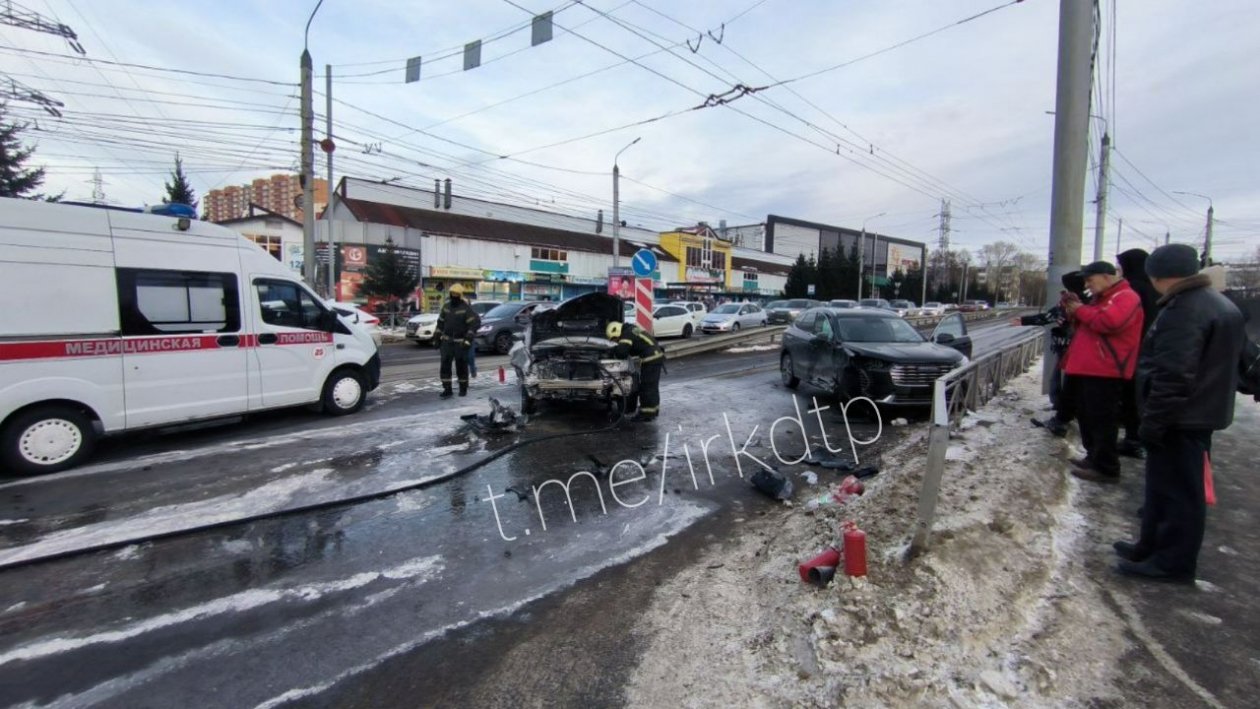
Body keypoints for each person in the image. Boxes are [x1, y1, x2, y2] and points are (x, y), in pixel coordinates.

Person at [1114, 244, 1245, 582]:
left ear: (1157, 275)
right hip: (1195, 413)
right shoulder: (1216, 303)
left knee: (1178, 494)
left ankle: (1172, 563)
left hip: (1181, 417)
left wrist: (1153, 421)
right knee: (1163, 489)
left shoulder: (1184, 310)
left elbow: (1173, 374)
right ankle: (1151, 546)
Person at [1061, 261, 1144, 483]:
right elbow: (1089, 324)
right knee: (1088, 416)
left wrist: (1081, 309)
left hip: (1106, 370)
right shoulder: (1102, 298)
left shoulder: (1125, 296)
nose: (1087, 284)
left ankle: (1107, 468)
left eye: (1090, 279)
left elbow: (1109, 323)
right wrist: (1075, 310)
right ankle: (1094, 457)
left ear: (1107, 276)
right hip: (1090, 367)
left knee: (1102, 420)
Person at [1017, 270, 1087, 435]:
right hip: (1074, 350)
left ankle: (1062, 418)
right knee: (1066, 384)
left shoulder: (1073, 301)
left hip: (1071, 350)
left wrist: (1024, 321)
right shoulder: (1087, 299)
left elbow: (1052, 316)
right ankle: (1062, 415)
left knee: (1063, 383)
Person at [1115, 249, 1161, 458]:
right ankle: (1137, 438)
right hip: (1152, 348)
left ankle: (1134, 440)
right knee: (1141, 395)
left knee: (1131, 396)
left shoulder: (1132, 289)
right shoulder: (1155, 288)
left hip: (1133, 349)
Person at [606, 320, 665, 422]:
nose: (616, 341)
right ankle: (653, 411)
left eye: (615, 339)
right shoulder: (631, 329)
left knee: (647, 386)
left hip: (651, 358)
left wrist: (612, 350)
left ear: (616, 331)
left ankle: (646, 414)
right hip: (655, 356)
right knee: (652, 386)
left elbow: (621, 353)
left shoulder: (626, 334)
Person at [435, 284, 481, 398]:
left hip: (460, 342)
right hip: (447, 342)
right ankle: (447, 389)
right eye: (452, 293)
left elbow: (473, 325)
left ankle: (463, 388)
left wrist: (468, 340)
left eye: (456, 294)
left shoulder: (465, 308)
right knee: (445, 366)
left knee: (461, 366)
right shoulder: (446, 307)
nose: (454, 296)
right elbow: (440, 323)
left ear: (460, 295)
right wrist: (436, 337)